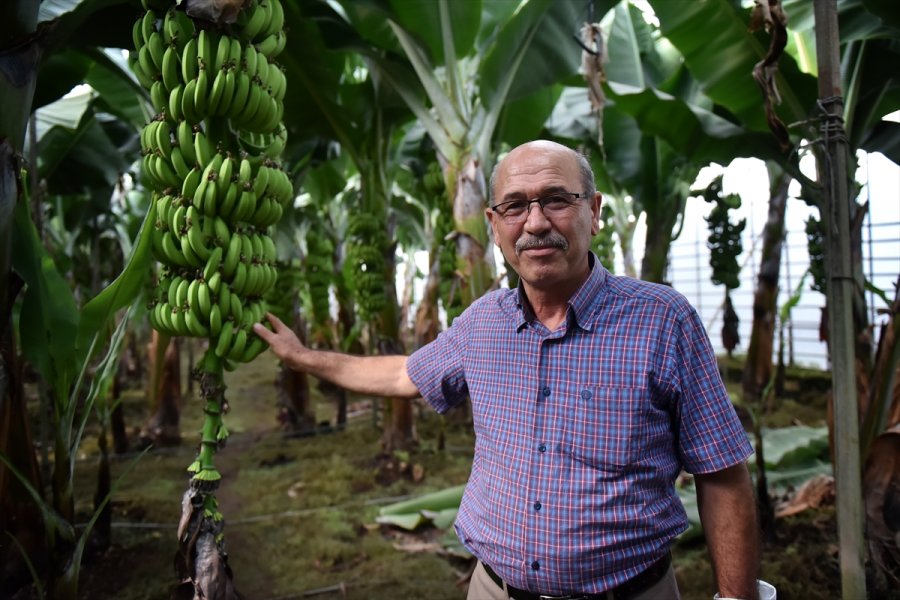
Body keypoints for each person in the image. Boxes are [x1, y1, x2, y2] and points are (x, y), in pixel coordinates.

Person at [253, 140, 761, 600]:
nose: (536, 223)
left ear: (595, 211)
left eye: (557, 200)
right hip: (493, 590)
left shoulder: (662, 320)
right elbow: (402, 375)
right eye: (515, 206)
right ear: (494, 227)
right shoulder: (482, 323)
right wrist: (304, 358)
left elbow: (722, 474)